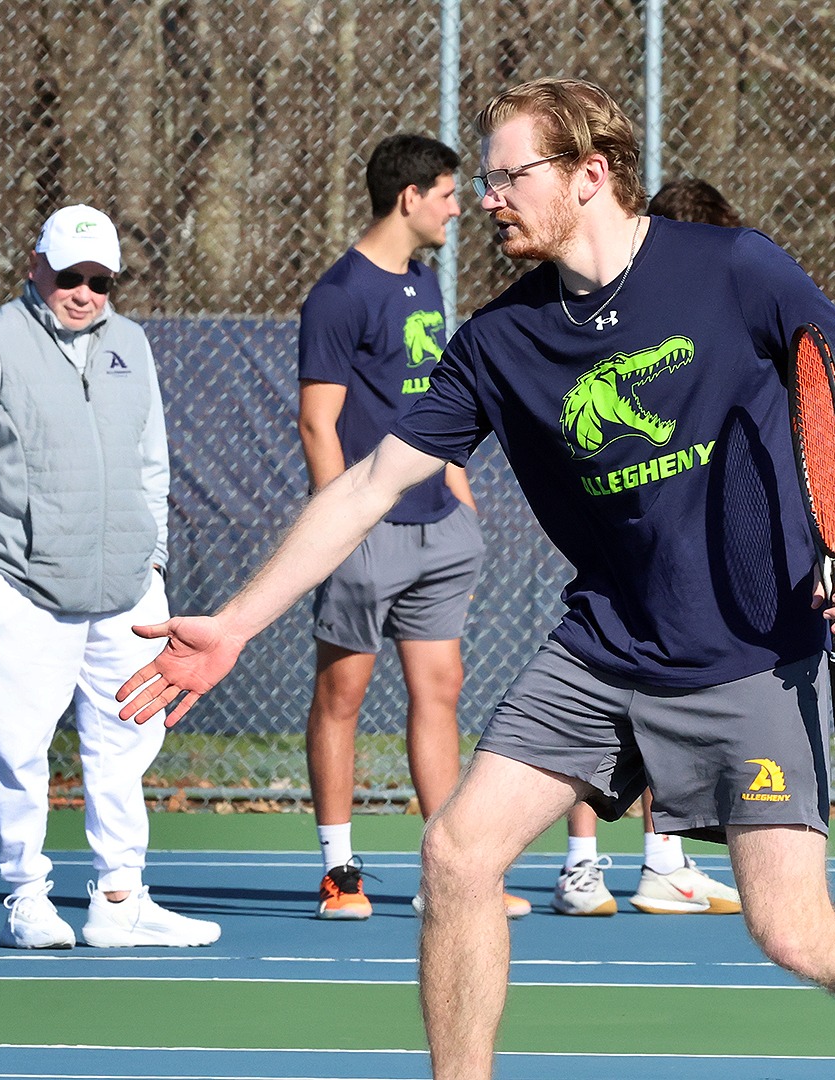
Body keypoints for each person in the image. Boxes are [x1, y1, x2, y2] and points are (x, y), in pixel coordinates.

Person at [118, 78, 835, 1080]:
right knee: (455, 855)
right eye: (482, 181)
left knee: (795, 930)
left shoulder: (734, 268)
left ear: (590, 174)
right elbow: (363, 488)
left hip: (750, 655)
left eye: (509, 176)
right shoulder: (496, 341)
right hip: (603, 653)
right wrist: (237, 622)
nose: (489, 199)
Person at [0, 204, 220, 950]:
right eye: (71, 276)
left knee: (128, 742)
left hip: (127, 593)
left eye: (101, 280)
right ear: (37, 268)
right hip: (23, 593)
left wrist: (152, 559)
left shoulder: (132, 344)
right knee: (17, 750)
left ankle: (120, 899)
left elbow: (152, 462)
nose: (86, 293)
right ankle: (28, 898)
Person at [296, 134, 507, 920]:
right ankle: (340, 871)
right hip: (365, 529)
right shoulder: (340, 293)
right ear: (409, 198)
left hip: (438, 528)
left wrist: (458, 486)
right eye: (449, 195)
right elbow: (319, 424)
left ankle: (449, 873)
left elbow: (436, 404)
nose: (460, 208)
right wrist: (337, 527)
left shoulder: (425, 285)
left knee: (441, 690)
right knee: (343, 692)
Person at [550, 175, 748, 917]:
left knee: (652, 703)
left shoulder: (683, 322)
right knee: (603, 709)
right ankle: (586, 866)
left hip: (670, 553)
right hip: (631, 554)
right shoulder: (615, 327)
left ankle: (657, 860)